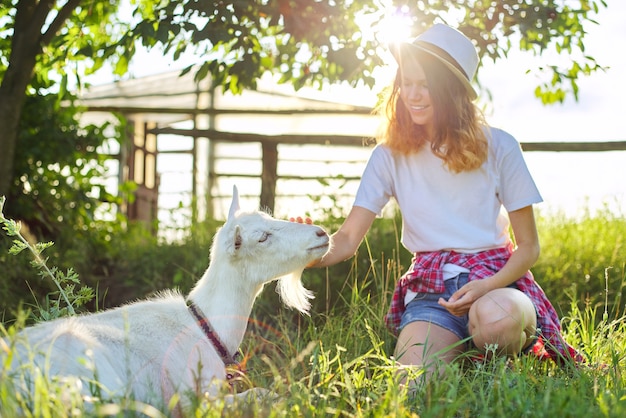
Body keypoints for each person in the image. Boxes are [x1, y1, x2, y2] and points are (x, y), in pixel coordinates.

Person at [306, 23, 583, 381]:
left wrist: (487, 286)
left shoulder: (500, 146)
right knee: (410, 381)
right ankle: (464, 353)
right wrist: (304, 250)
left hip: (495, 284)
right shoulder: (389, 155)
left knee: (497, 322)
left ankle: (494, 355)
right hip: (432, 292)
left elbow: (528, 247)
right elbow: (344, 240)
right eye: (407, 82)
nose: (413, 95)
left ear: (451, 90)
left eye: (426, 85)